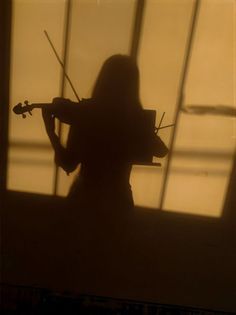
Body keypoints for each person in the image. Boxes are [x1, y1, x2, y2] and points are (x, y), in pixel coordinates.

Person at [42, 54, 168, 209]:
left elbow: (68, 164)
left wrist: (51, 132)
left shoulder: (87, 113)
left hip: (85, 198)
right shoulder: (135, 118)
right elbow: (161, 151)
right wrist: (145, 130)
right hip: (119, 200)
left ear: (103, 80)